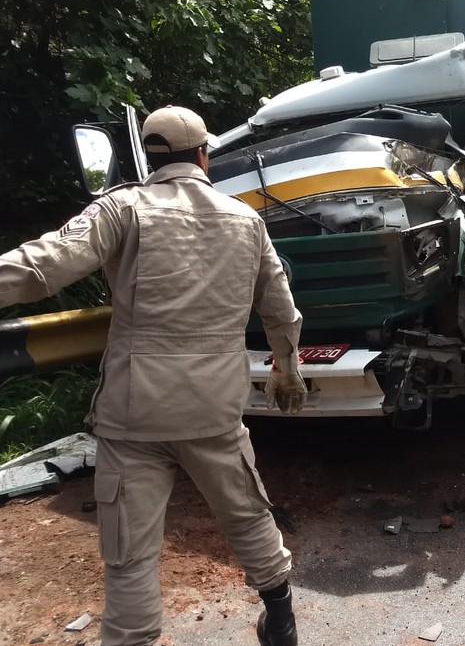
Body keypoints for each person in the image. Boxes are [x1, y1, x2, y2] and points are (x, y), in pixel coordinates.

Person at [0, 106, 306, 645]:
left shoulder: (123, 208)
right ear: (204, 154)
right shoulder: (245, 219)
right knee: (245, 512)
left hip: (134, 415)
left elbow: (41, 267)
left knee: (130, 553)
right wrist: (286, 369)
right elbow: (280, 308)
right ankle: (279, 618)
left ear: (148, 155)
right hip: (214, 409)